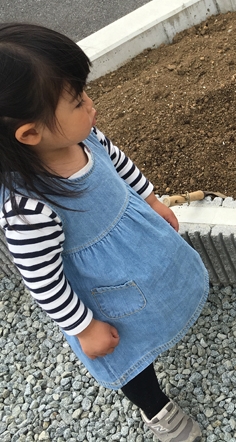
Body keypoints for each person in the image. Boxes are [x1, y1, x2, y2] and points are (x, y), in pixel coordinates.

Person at [0, 23, 209, 442]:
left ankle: (172, 306)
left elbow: (117, 161)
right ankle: (156, 408)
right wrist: (82, 327)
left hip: (137, 241)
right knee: (125, 351)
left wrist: (149, 199)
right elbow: (43, 278)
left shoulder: (85, 138)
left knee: (166, 285)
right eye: (77, 101)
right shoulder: (28, 209)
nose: (91, 106)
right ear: (29, 133)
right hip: (104, 290)